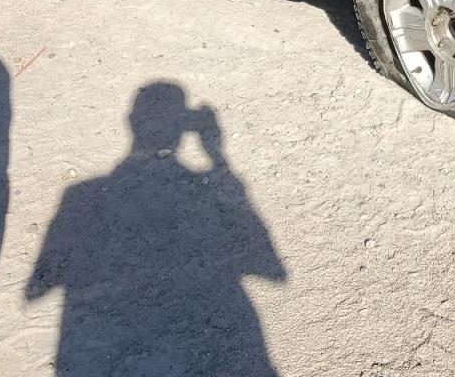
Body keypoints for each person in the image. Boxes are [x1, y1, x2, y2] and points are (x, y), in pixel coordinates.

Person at [27, 82, 285, 376]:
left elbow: (36, 290)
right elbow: (272, 271)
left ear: (131, 122)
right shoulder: (212, 189)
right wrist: (217, 157)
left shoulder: (78, 195)